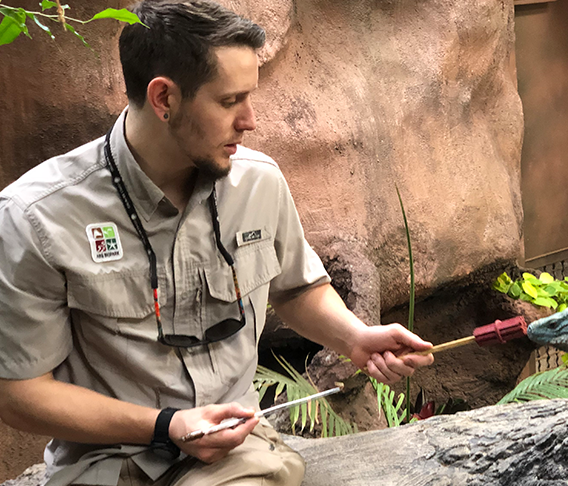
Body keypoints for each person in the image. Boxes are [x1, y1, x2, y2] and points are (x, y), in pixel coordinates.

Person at [0, 1, 434, 485]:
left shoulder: (259, 183)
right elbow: (18, 392)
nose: (250, 120)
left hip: (236, 454)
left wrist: (354, 338)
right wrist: (166, 426)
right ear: (164, 98)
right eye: (230, 101)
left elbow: (296, 290)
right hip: (108, 466)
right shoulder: (34, 216)